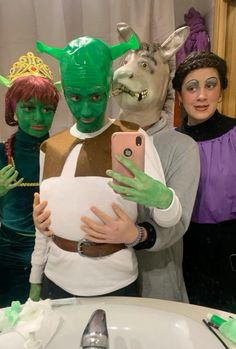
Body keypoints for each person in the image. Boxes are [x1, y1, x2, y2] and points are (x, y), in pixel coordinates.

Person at [29, 33, 183, 302]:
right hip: (55, 282)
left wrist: (163, 198)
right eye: (75, 98)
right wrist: (35, 279)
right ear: (64, 90)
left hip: (117, 283)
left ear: (110, 86)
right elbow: (42, 228)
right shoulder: (50, 147)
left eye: (96, 96)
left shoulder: (134, 137)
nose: (86, 109)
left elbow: (169, 219)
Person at [106, 24, 200, 302]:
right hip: (102, 279)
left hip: (156, 283)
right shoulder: (98, 135)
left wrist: (136, 234)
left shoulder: (182, 148)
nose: (125, 72)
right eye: (125, 63)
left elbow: (177, 222)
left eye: (145, 66)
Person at [172, 51, 236, 312]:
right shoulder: (170, 142)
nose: (201, 95)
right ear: (179, 96)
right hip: (182, 251)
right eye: (192, 87)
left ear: (220, 91)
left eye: (210, 85)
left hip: (230, 252)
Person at [0, 52, 60, 308]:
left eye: (46, 109)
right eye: (28, 108)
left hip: (54, 252)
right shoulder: (1, 153)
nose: (38, 117)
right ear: (13, 108)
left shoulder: (64, 150)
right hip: (7, 251)